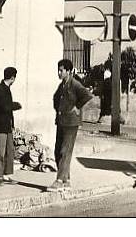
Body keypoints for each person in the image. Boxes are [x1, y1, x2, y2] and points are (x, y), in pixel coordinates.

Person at [46, 59, 93, 192]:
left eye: (61, 70)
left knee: (65, 151)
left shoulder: (75, 84)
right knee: (57, 151)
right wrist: (59, 110)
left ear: (68, 71)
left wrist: (76, 107)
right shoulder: (62, 85)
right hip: (61, 121)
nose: (59, 73)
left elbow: (87, 95)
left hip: (71, 122)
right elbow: (56, 98)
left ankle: (59, 180)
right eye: (58, 70)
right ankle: (66, 180)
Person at [0, 66, 22, 186]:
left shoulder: (5, 88)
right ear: (12, 78)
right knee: (0, 153)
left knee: (9, 151)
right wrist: (16, 105)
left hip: (7, 126)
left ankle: (6, 175)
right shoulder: (0, 89)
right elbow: (5, 107)